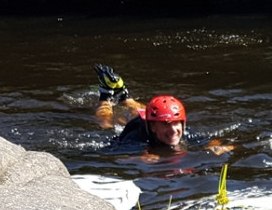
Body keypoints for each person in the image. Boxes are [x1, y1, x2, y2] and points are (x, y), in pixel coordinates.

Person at [93, 63, 233, 155]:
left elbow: (213, 142)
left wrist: (217, 148)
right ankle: (106, 94)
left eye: (176, 123)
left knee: (141, 109)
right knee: (105, 124)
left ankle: (124, 96)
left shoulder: (184, 132)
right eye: (166, 124)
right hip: (137, 125)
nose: (173, 130)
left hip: (151, 116)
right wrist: (138, 159)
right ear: (153, 127)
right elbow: (112, 156)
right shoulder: (134, 138)